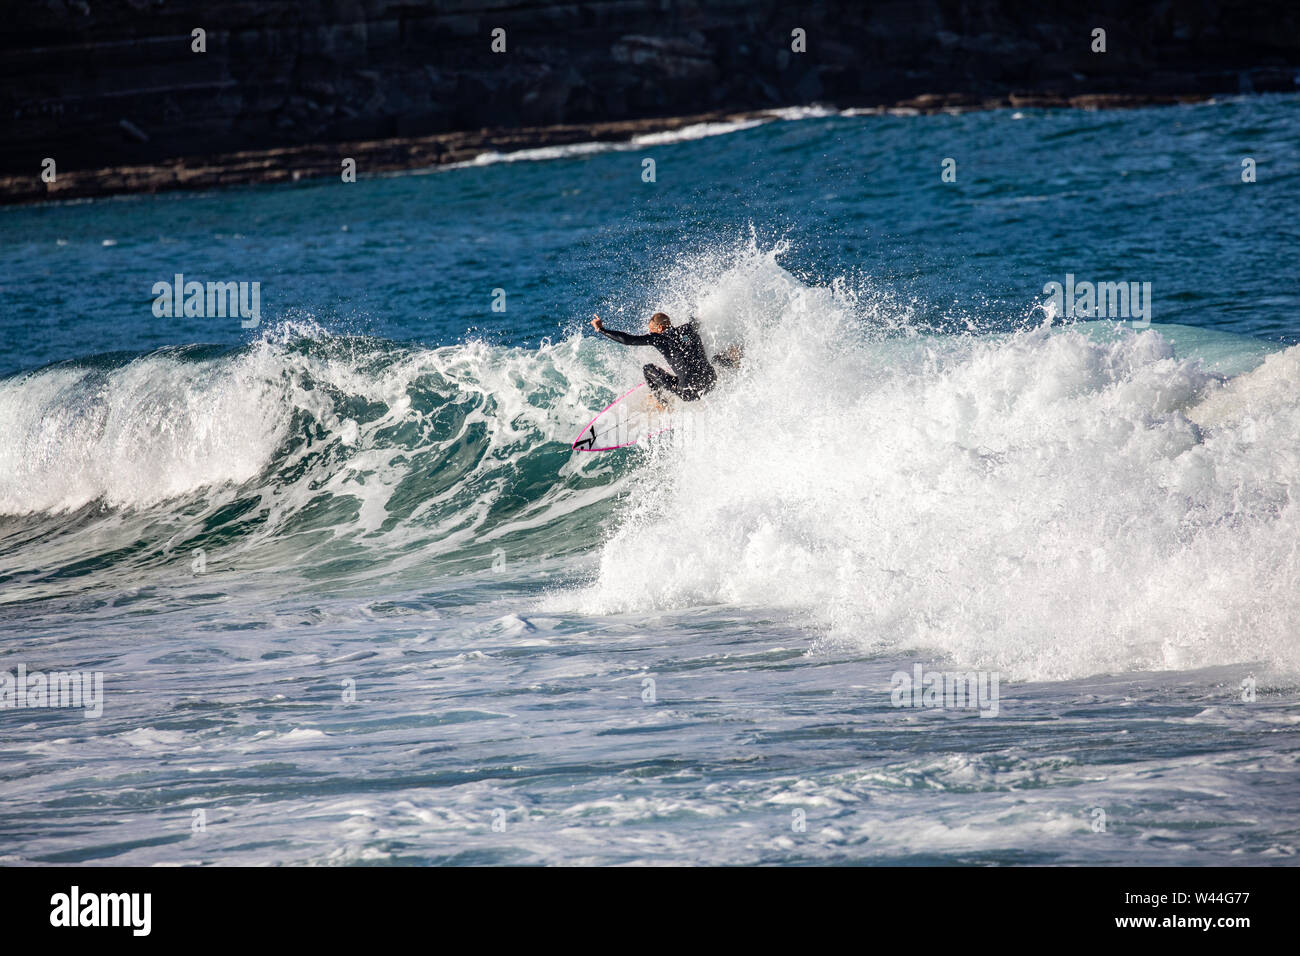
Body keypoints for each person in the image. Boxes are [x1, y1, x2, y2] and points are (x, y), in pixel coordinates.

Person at [591, 311, 736, 404]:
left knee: (647, 369)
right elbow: (699, 317)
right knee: (713, 359)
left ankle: (662, 403)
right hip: (711, 381)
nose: (651, 333)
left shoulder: (658, 338)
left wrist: (601, 329)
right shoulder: (689, 328)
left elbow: (628, 340)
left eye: (652, 330)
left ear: (659, 329)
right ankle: (733, 362)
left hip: (690, 392)